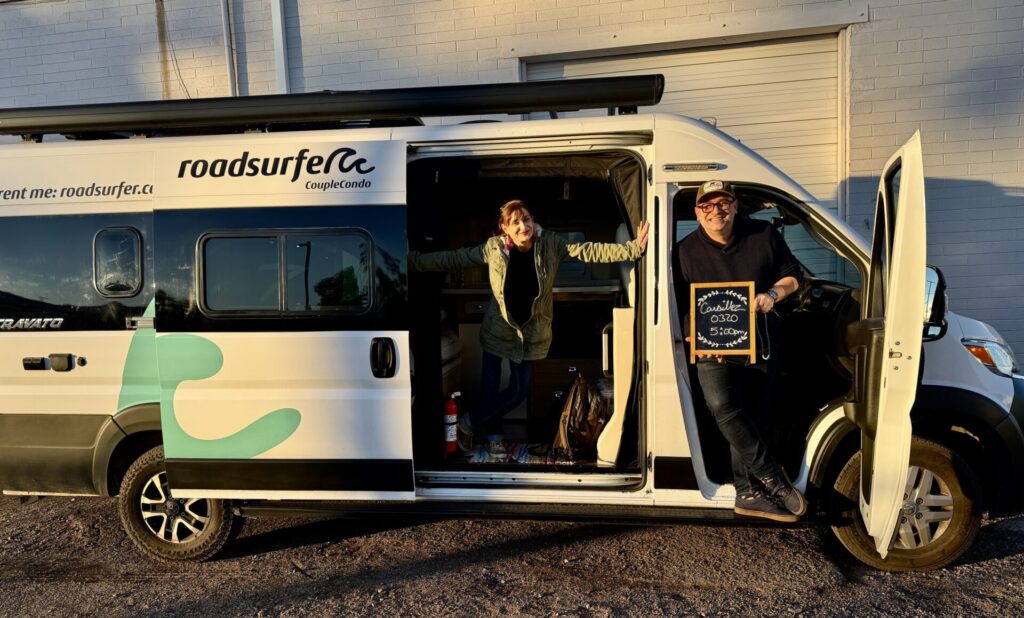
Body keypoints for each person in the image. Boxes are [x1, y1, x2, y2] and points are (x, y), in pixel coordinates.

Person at [411, 199, 649, 453]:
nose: (523, 226)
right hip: (497, 329)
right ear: (504, 228)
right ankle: (494, 437)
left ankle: (467, 423)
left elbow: (589, 250)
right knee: (490, 388)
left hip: (528, 333)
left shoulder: (551, 244)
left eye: (526, 219)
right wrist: (414, 261)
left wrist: (632, 249)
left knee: (519, 390)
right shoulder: (494, 248)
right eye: (515, 222)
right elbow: (454, 258)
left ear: (533, 220)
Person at [674, 180, 805, 522]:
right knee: (722, 405)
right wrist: (699, 336)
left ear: (734, 206)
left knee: (751, 414)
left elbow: (793, 277)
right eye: (707, 205)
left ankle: (747, 494)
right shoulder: (684, 252)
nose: (715, 211)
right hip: (711, 348)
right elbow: (678, 303)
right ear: (697, 212)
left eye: (723, 203)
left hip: (759, 341)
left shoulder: (763, 235)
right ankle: (771, 477)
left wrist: (772, 295)